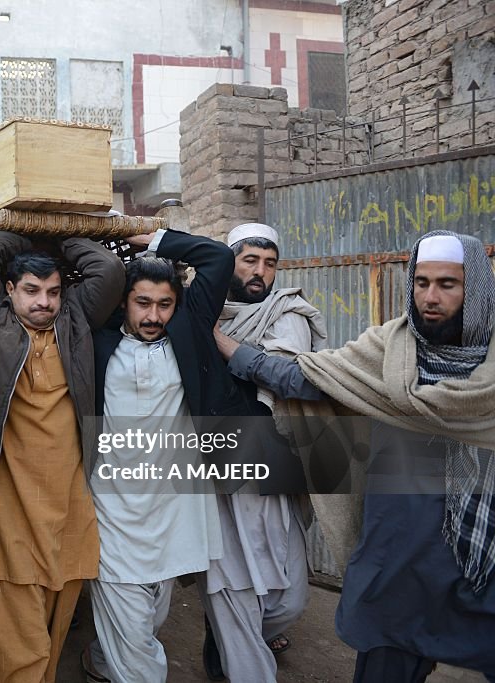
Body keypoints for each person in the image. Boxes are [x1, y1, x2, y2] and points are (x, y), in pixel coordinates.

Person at [214, 230, 495, 682]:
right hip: (396, 563)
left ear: (475, 288)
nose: (430, 296)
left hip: (479, 566)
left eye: (447, 284)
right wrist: (224, 343)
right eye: (421, 282)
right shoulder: (388, 351)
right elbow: (302, 378)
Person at [0, 231, 125, 683]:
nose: (44, 302)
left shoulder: (75, 319)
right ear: (9, 289)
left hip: (67, 491)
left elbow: (110, 271)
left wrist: (59, 244)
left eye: (53, 291)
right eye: (31, 290)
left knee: (62, 594)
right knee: (12, 598)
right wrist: (33, 237)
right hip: (4, 489)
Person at [82, 228, 253, 683]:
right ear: (123, 302)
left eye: (164, 304)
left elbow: (218, 257)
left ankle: (100, 659)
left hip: (175, 507)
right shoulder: (96, 341)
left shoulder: (188, 332)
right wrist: (92, 237)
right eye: (143, 303)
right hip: (112, 508)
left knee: (150, 616)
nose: (153, 315)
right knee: (136, 635)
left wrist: (159, 239)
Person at [199, 223, 327, 682]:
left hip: (275, 463)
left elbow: (287, 376)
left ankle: (234, 635)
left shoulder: (287, 312)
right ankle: (232, 650)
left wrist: (220, 342)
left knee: (290, 596)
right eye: (250, 260)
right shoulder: (202, 306)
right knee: (229, 584)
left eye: (269, 263)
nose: (260, 272)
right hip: (216, 468)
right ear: (228, 263)